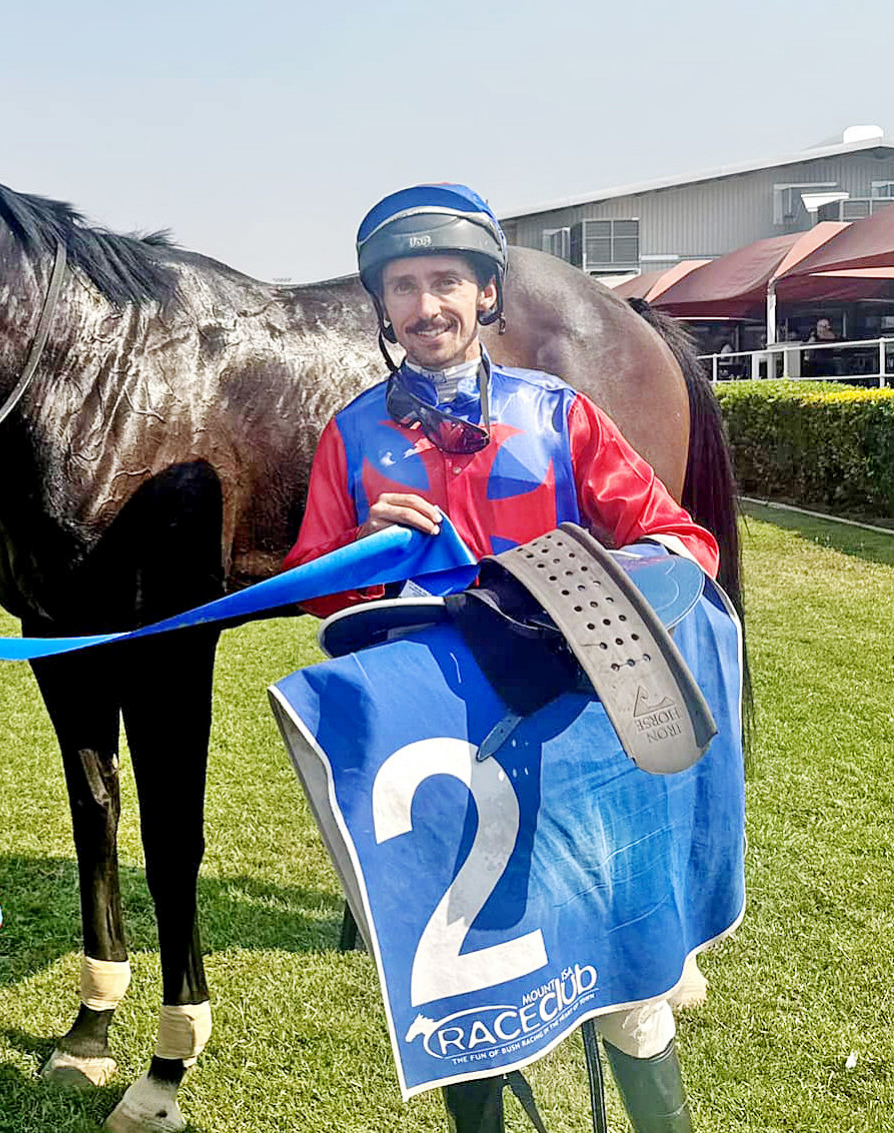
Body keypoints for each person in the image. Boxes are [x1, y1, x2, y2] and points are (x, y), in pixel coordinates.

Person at [283, 186, 719, 1133]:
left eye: (447, 280)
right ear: (382, 306)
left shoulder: (558, 413)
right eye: (404, 286)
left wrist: (586, 590)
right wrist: (358, 544)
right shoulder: (351, 435)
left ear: (488, 295)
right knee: (465, 999)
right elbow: (311, 586)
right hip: (436, 749)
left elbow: (680, 540)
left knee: (625, 985)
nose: (426, 305)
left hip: (571, 727)